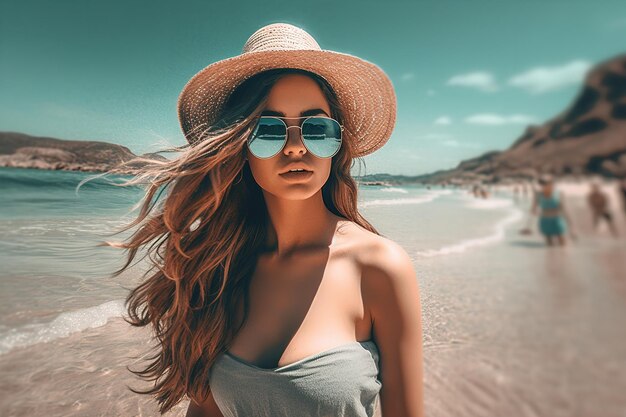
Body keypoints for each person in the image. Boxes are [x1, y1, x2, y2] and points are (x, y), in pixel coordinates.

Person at [98, 23, 423, 417]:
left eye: (316, 128)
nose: (296, 147)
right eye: (267, 130)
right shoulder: (217, 268)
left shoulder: (379, 267)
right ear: (240, 146)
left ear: (338, 144)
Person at [531, 174, 575, 246]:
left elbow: (565, 210)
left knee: (562, 243)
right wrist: (538, 212)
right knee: (549, 244)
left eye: (545, 183)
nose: (543, 186)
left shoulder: (558, 194)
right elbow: (533, 210)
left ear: (551, 184)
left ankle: (563, 256)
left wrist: (571, 226)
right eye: (541, 184)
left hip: (557, 220)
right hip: (545, 221)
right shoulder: (538, 195)